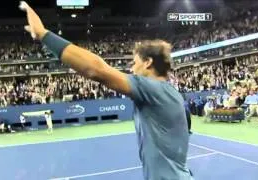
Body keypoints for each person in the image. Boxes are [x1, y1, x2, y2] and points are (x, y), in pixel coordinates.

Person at [19, 2, 193, 179]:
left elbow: (96, 70)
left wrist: (44, 34)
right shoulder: (172, 95)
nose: (132, 68)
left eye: (135, 62)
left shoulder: (154, 89)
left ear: (148, 62)